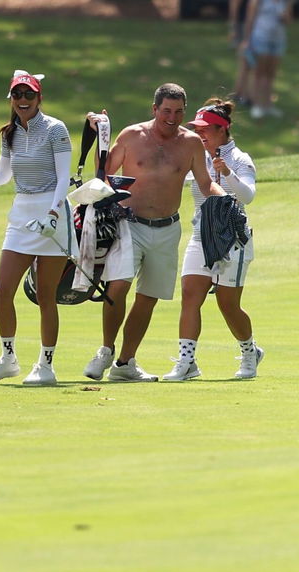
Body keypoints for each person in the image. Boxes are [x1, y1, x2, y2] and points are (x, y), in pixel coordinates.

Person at [82, 83, 219, 382]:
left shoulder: (192, 142)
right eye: (166, 111)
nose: (172, 117)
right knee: (118, 286)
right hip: (130, 223)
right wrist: (100, 140)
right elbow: (103, 172)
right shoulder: (132, 136)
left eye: (179, 112)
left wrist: (223, 200)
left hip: (168, 228)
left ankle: (125, 363)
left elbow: (206, 182)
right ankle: (105, 350)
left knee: (148, 297)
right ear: (154, 109)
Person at [0, 70, 73, 386]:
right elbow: (3, 175)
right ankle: (8, 358)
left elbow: (63, 177)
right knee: (2, 289)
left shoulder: (55, 129)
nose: (23, 100)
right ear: (11, 98)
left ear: (39, 98)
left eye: (29, 95)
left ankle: (45, 365)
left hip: (52, 211)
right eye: (17, 95)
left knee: (46, 295)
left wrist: (53, 211)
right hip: (22, 213)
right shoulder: (10, 133)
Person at [163, 100, 263, 381]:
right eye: (197, 129)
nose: (200, 134)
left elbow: (248, 197)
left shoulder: (240, 159)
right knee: (190, 297)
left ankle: (249, 352)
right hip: (200, 236)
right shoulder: (196, 155)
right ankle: (186, 362)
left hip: (234, 239)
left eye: (206, 129)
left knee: (227, 305)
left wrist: (227, 173)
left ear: (222, 130)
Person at [242, 0, 292, 120]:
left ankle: (268, 104)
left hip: (278, 40)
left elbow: (289, 20)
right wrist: (247, 39)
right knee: (259, 72)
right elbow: (250, 18)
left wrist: (286, 16)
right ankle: (257, 104)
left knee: (271, 73)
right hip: (261, 38)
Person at [228, 0, 264, 106]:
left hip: (254, 28)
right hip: (243, 26)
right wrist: (234, 28)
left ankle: (246, 94)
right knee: (245, 61)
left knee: (250, 62)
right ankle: (239, 94)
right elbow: (235, 8)